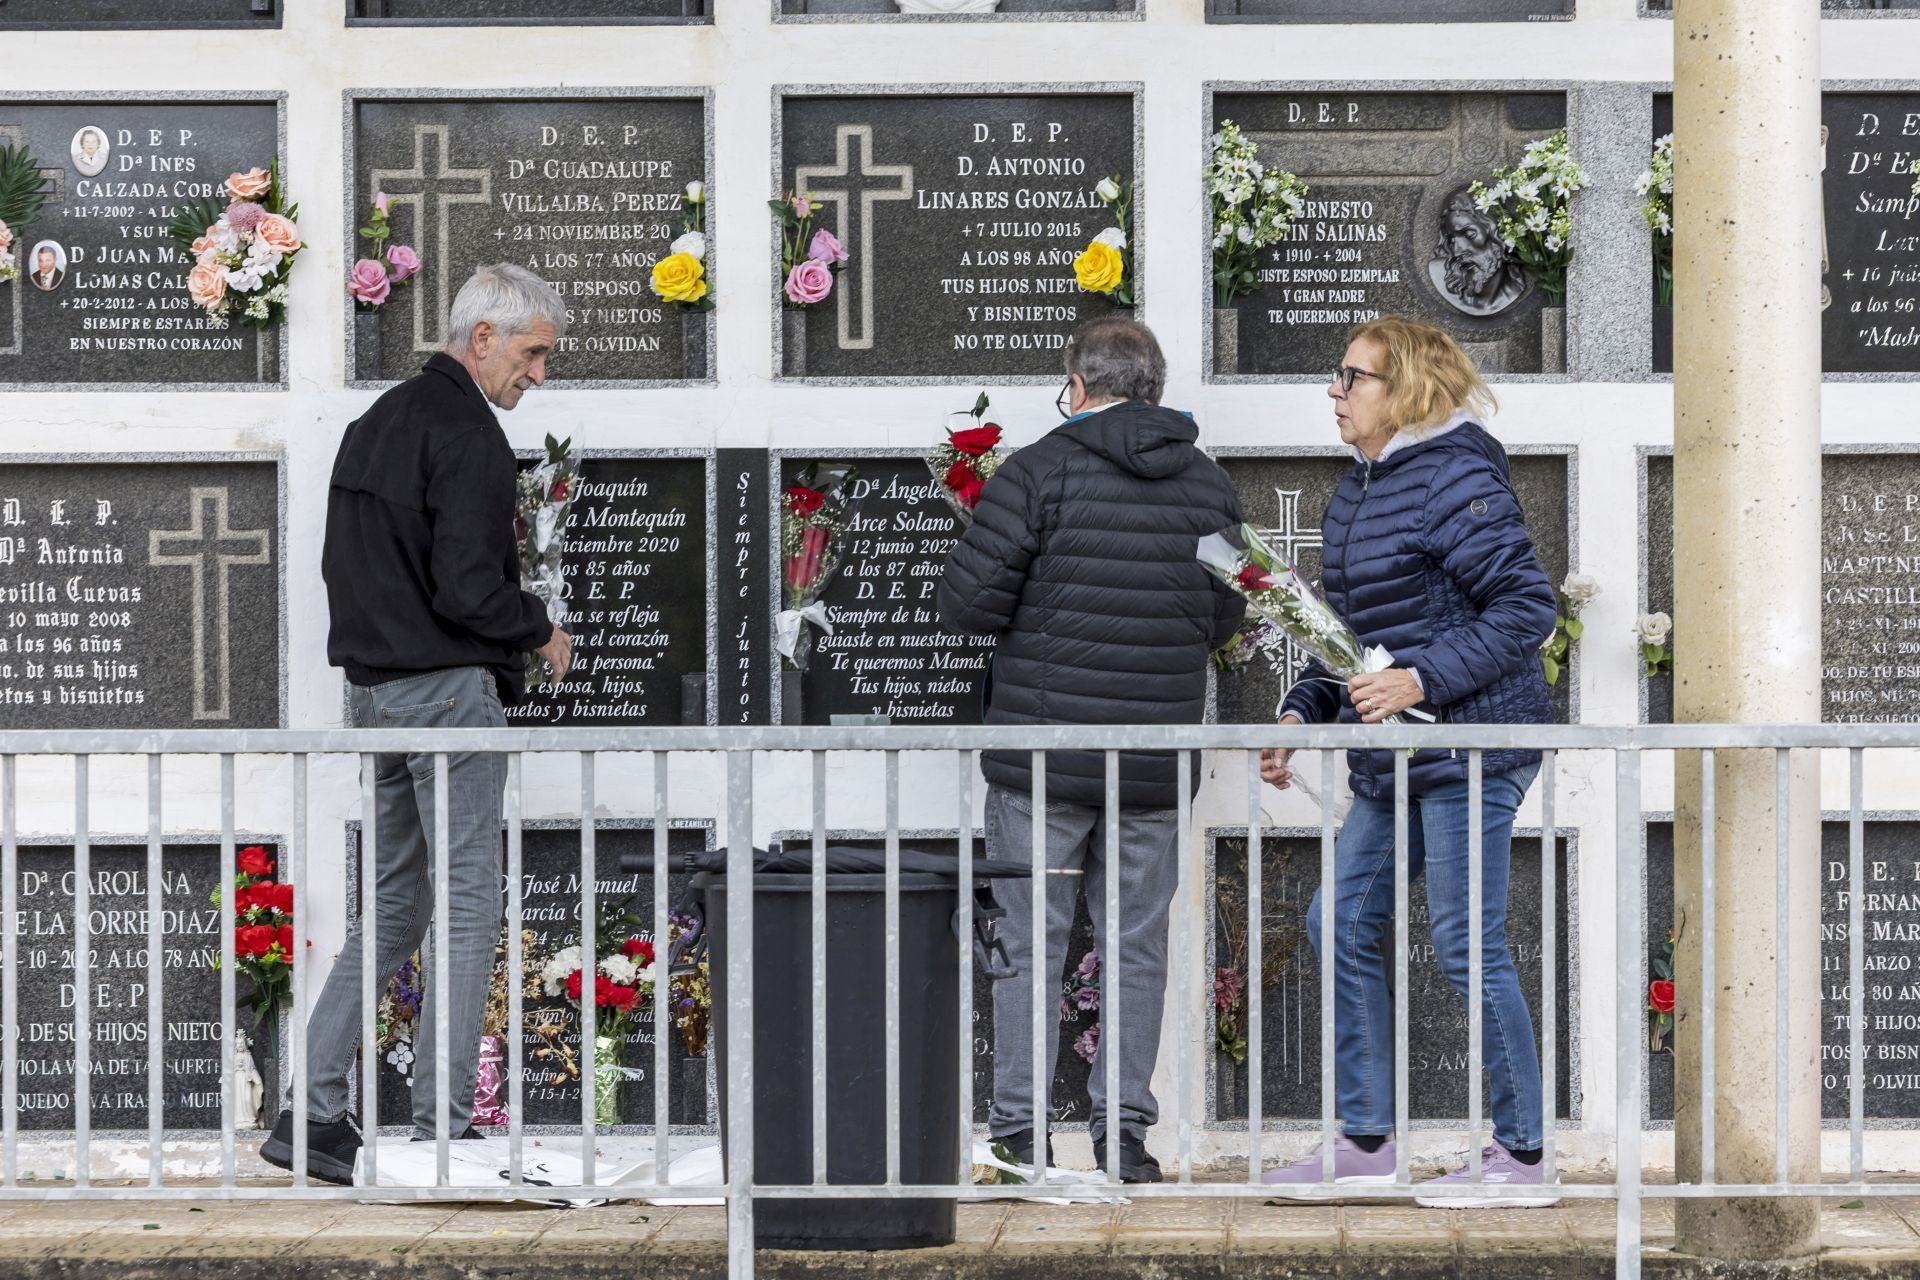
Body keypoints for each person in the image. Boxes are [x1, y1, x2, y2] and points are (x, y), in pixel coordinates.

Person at [261, 264, 573, 1184]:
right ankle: (446, 1130)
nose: (539, 376)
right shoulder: (470, 437)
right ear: (482, 338)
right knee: (469, 903)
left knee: (395, 907)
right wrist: (541, 628)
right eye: (532, 354)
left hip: (381, 696)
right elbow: (468, 590)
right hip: (446, 694)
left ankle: (310, 1115)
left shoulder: (376, 424)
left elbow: (348, 572)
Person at [1257, 316, 1557, 1207]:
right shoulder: (1359, 488)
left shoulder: (1456, 473)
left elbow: (1524, 606)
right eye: (1338, 375)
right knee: (1337, 923)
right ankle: (1366, 1145)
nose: (1335, 391)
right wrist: (1300, 709)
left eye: (1353, 377)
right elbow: (1354, 641)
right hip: (1398, 758)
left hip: (1472, 747)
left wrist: (1423, 677)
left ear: (1408, 388)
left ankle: (1524, 1156)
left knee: (1467, 946)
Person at [938, 317, 1246, 1184]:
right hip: (1152, 760)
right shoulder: (1210, 487)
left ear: (1076, 383)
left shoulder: (1036, 472)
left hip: (1045, 756)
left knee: (1032, 944)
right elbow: (1228, 615)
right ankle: (1125, 1137)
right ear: (1155, 387)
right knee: (1137, 944)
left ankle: (1021, 1133)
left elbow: (966, 606)